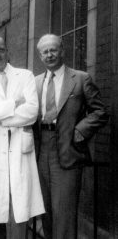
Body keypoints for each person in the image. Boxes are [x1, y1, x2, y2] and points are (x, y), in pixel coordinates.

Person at [34, 34, 109, 239]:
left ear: (62, 51)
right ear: (40, 56)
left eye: (53, 50)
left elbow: (100, 112)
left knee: (64, 212)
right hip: (40, 152)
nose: (49, 55)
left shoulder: (81, 78)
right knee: (45, 210)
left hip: (68, 150)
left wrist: (80, 130)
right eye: (44, 52)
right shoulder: (35, 82)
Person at [0, 36, 45, 239]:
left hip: (18, 149)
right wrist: (14, 102)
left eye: (1, 49)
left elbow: (31, 112)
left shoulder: (25, 76)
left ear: (7, 51)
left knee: (19, 209)